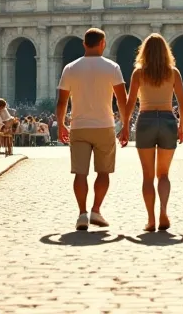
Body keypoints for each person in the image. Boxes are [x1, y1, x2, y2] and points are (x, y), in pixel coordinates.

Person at [56, 28, 128, 232]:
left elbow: (62, 101)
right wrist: (124, 125)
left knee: (80, 173)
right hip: (104, 125)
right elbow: (122, 99)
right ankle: (96, 209)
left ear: (84, 44)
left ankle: (82, 214)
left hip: (78, 126)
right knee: (103, 171)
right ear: (103, 43)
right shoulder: (112, 67)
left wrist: (61, 124)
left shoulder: (70, 68)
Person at [122, 33, 183, 232]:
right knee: (164, 174)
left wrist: (125, 127)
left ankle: (151, 219)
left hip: (146, 119)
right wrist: (182, 126)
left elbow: (130, 103)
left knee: (147, 176)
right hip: (167, 119)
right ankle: (164, 212)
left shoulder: (138, 73)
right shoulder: (173, 72)